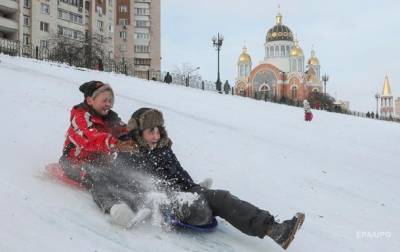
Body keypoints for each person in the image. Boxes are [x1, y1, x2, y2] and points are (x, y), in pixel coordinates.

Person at [119, 108, 305, 250]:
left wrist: (194, 187)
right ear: (138, 132)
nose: (156, 136)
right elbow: (130, 186)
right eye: (151, 131)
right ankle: (272, 229)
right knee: (210, 204)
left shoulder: (163, 148)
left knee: (221, 198)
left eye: (158, 131)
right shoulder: (131, 154)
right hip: (168, 203)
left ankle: (275, 230)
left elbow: (180, 172)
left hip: (187, 193)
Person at [59, 80, 127, 185]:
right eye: (104, 101)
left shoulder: (110, 118)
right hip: (74, 163)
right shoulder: (80, 117)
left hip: (99, 162)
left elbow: (124, 130)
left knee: (120, 176)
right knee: (101, 178)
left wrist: (132, 138)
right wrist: (114, 143)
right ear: (90, 100)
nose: (108, 104)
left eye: (110, 101)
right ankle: (108, 198)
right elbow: (88, 138)